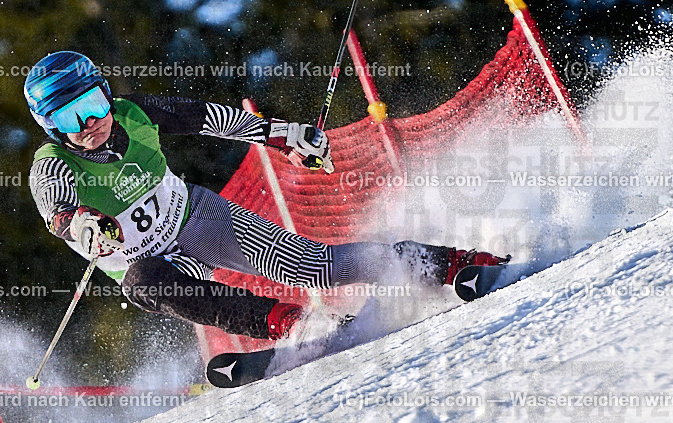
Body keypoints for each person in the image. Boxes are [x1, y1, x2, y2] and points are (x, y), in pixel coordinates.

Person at [25, 51, 504, 340]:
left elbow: (213, 119)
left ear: (106, 94)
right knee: (146, 283)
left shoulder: (135, 112)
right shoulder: (51, 164)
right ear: (51, 127)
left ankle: (451, 263)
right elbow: (60, 210)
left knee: (314, 268)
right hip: (155, 262)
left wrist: (283, 136)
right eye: (70, 118)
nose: (90, 123)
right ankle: (291, 325)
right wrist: (85, 225)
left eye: (91, 104)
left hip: (193, 218)